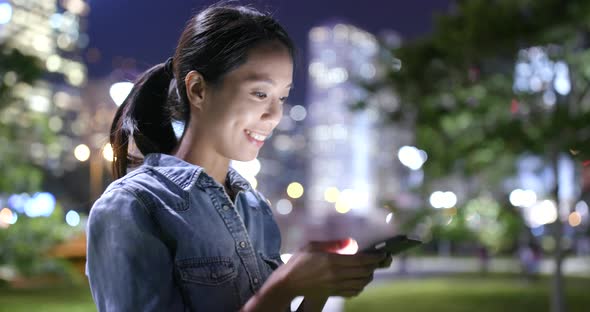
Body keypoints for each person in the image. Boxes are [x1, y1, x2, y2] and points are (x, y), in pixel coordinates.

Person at [86, 3, 391, 311]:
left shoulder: (254, 207)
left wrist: (318, 286)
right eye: (260, 93)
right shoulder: (133, 206)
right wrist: (286, 286)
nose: (274, 116)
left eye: (282, 97)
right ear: (198, 89)